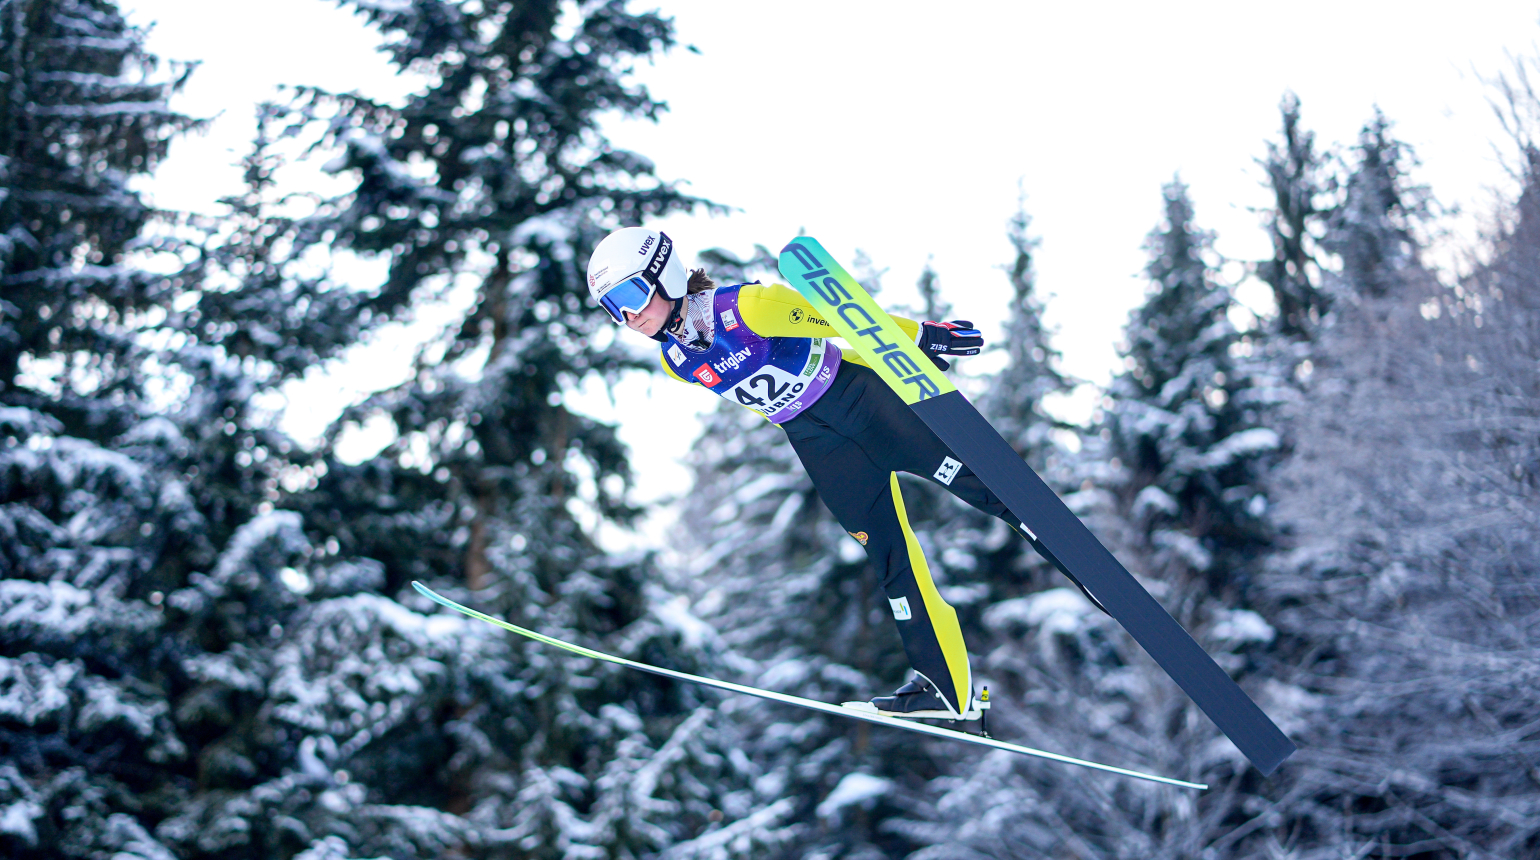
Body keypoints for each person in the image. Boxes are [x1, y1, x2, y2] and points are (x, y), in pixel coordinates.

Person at [586, 227, 1016, 720]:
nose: (629, 315)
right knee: (888, 555)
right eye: (613, 308)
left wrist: (923, 337)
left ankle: (1071, 551)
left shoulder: (745, 307)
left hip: (863, 401)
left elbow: (846, 321)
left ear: (664, 275)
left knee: (987, 489)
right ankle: (944, 688)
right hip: (817, 443)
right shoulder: (676, 360)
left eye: (630, 295)